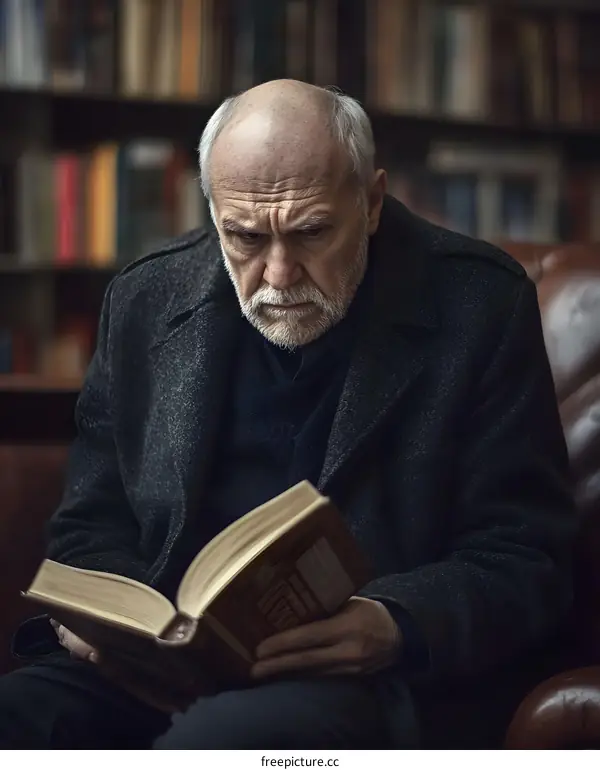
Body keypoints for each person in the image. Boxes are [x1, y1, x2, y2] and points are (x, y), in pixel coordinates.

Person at [0, 80, 575, 749]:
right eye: (243, 236)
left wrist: (392, 623)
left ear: (372, 201)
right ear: (212, 211)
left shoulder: (480, 303)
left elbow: (527, 555)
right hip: (159, 672)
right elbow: (89, 522)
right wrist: (111, 629)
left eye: (310, 232)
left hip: (361, 679)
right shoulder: (145, 297)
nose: (277, 274)